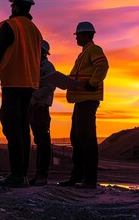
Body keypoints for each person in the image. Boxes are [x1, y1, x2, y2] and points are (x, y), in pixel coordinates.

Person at [0, 0, 42, 188]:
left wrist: (1, 59)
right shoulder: (35, 30)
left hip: (12, 83)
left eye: (12, 4)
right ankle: (23, 175)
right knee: (23, 129)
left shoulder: (12, 25)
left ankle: (16, 175)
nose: (11, 7)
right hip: (29, 84)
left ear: (17, 6)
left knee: (12, 129)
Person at [58, 22, 108, 189]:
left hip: (88, 100)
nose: (76, 38)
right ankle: (77, 177)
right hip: (80, 100)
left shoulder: (94, 50)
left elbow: (103, 66)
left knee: (86, 139)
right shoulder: (84, 54)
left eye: (78, 35)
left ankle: (89, 179)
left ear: (86, 35)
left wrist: (93, 83)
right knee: (77, 139)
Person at [28, 40, 56, 186]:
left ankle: (42, 175)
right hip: (32, 107)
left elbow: (50, 86)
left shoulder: (48, 67)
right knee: (38, 141)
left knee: (43, 142)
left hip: (41, 108)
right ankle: (38, 174)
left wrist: (34, 94)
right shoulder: (33, 65)